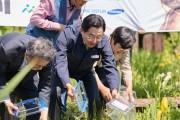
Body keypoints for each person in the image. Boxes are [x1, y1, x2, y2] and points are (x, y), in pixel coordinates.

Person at [53, 14, 120, 119]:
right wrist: (67, 83)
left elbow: (110, 65)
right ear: (81, 30)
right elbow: (60, 61)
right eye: (90, 36)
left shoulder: (103, 41)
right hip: (64, 67)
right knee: (55, 93)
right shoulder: (68, 35)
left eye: (98, 37)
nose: (94, 41)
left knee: (95, 100)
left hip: (85, 70)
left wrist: (115, 88)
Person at [0, 32, 56, 120]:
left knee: (36, 109)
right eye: (37, 65)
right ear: (27, 55)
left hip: (27, 77)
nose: (40, 69)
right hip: (3, 69)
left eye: (43, 66)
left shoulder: (47, 57)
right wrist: (5, 99)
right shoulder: (7, 49)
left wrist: (44, 108)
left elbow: (45, 84)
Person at [94, 26, 136, 104]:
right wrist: (102, 88)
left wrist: (129, 87)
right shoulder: (100, 39)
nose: (120, 52)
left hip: (105, 66)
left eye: (123, 51)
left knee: (110, 89)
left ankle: (103, 108)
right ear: (113, 39)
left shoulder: (125, 47)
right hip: (89, 64)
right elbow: (90, 69)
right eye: (119, 50)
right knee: (93, 90)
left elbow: (126, 68)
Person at [25, 0, 90, 44]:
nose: (83, 2)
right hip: (35, 41)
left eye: (85, 1)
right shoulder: (52, 1)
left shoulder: (79, 5)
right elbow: (35, 19)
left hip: (54, 46)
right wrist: (59, 27)